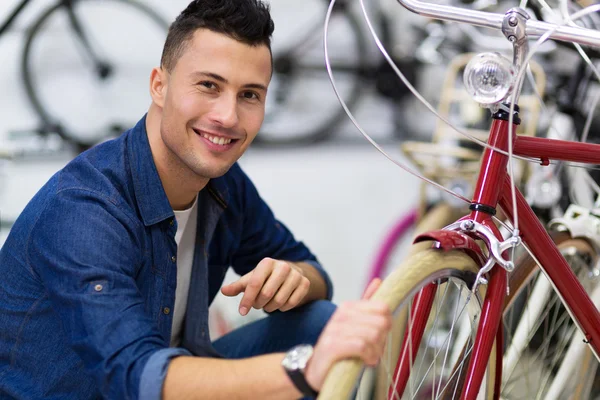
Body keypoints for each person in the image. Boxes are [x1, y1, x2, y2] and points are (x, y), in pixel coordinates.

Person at [0, 1, 392, 399]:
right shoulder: (84, 210)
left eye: (250, 94)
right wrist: (304, 369)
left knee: (320, 324)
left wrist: (295, 279)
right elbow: (135, 374)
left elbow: (314, 275)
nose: (228, 116)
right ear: (159, 85)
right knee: (309, 358)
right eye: (209, 85)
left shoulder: (222, 183)